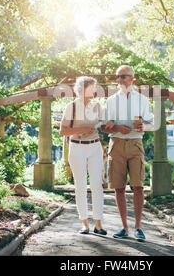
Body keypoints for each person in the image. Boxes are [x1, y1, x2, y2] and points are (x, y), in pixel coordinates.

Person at [101, 65, 154, 241]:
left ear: (132, 78)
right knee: (119, 188)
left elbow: (151, 124)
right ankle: (124, 227)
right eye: (117, 76)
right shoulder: (110, 100)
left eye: (123, 76)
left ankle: (138, 228)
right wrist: (117, 127)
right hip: (116, 144)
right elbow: (103, 126)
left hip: (135, 144)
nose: (119, 79)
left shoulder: (142, 100)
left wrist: (143, 126)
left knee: (138, 187)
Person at [59, 76, 107, 235]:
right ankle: (85, 224)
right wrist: (82, 130)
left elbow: (105, 124)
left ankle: (98, 225)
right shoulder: (71, 107)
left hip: (95, 148)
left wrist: (107, 124)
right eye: (92, 87)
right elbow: (63, 131)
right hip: (77, 148)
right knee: (80, 186)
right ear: (83, 89)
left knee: (96, 185)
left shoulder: (98, 106)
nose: (95, 90)